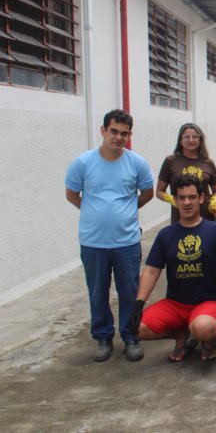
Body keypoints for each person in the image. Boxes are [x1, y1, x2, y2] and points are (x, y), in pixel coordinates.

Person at [127, 175, 216, 362]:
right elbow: (151, 270)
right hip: (175, 303)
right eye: (181, 198)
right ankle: (180, 334)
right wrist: (139, 303)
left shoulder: (215, 231)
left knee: (203, 329)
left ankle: (209, 341)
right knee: (136, 328)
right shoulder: (166, 235)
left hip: (209, 301)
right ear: (176, 200)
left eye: (192, 197)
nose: (187, 202)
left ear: (201, 198)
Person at [64, 109, 154, 362]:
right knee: (97, 291)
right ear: (103, 131)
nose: (118, 137)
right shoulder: (83, 163)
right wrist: (94, 212)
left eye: (123, 134)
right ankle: (103, 337)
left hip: (127, 242)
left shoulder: (136, 163)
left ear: (129, 135)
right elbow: (72, 195)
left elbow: (147, 192)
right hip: (93, 242)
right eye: (113, 131)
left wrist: (126, 211)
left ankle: (130, 337)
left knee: (129, 291)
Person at [156, 123, 216, 224]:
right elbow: (159, 191)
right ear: (180, 140)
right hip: (180, 216)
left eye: (195, 137)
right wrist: (172, 199)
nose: (191, 140)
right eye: (187, 137)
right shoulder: (170, 161)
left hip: (205, 216)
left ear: (200, 139)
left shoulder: (208, 162)